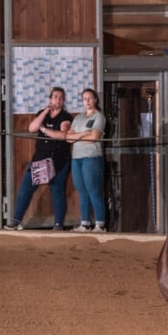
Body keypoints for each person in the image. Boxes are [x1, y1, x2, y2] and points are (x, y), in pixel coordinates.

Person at [4, 87, 73, 231]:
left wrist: (45, 130)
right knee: (25, 189)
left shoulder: (65, 117)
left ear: (64, 101)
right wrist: (46, 111)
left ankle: (58, 224)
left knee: (57, 191)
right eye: (55, 97)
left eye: (60, 97)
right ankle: (16, 221)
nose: (57, 100)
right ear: (50, 99)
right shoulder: (42, 113)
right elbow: (32, 128)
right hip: (40, 158)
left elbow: (62, 134)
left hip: (58, 160)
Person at [66, 88, 107, 232]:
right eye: (85, 99)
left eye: (90, 98)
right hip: (76, 157)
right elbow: (68, 138)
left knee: (93, 190)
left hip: (91, 157)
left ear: (95, 99)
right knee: (81, 190)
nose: (87, 101)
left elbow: (94, 138)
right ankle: (85, 223)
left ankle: (100, 224)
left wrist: (78, 135)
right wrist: (84, 133)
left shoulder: (99, 117)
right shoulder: (78, 118)